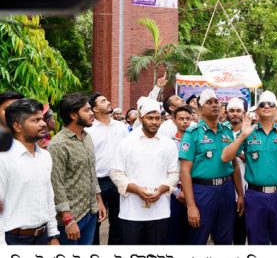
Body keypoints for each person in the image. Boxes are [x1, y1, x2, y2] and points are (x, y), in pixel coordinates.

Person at [221, 91, 277, 245]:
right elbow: (225, 157)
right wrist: (242, 136)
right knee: (256, 241)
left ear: (276, 109)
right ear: (257, 109)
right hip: (255, 196)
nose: (266, 106)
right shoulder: (248, 132)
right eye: (262, 104)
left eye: (271, 104)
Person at [110, 98, 179, 245]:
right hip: (132, 211)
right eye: (150, 118)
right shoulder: (127, 142)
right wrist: (137, 190)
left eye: (157, 118)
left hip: (160, 210)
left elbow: (174, 174)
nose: (154, 122)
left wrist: (161, 190)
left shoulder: (168, 144)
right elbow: (116, 173)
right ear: (141, 118)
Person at [179, 89, 244, 245]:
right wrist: (191, 206)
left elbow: (234, 165)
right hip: (203, 192)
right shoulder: (192, 133)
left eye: (216, 102)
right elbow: (185, 172)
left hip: (226, 190)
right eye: (209, 102)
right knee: (198, 238)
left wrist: (240, 194)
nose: (214, 105)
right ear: (200, 109)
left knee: (225, 239)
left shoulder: (227, 132)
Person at [48, 93, 107, 245]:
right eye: (87, 110)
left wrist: (99, 201)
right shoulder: (58, 144)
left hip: (90, 212)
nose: (92, 113)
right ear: (73, 115)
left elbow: (92, 173)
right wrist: (68, 220)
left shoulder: (86, 137)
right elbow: (56, 184)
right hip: (71, 218)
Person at [0, 99, 60, 245]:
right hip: (13, 240)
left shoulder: (45, 156)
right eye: (35, 120)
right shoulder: (4, 159)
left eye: (42, 119)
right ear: (17, 126)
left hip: (42, 237)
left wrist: (53, 235)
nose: (43, 123)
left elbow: (48, 196)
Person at [86, 93, 129, 245]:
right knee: (95, 221)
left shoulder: (122, 127)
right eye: (103, 101)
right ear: (95, 109)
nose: (108, 102)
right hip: (97, 182)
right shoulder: (89, 130)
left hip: (118, 180)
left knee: (118, 222)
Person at [167, 105, 193, 245]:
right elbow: (165, 171)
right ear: (174, 120)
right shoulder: (169, 143)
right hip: (175, 195)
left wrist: (188, 190)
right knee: (174, 235)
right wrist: (177, 192)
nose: (185, 122)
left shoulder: (196, 140)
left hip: (194, 192)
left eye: (187, 118)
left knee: (193, 234)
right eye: (181, 119)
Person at [224, 97, 247, 245]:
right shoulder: (221, 130)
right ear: (226, 113)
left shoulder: (250, 131)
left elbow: (252, 158)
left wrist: (234, 151)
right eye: (231, 111)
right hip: (224, 187)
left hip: (245, 185)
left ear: (243, 113)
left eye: (238, 110)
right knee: (225, 230)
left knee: (241, 229)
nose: (235, 114)